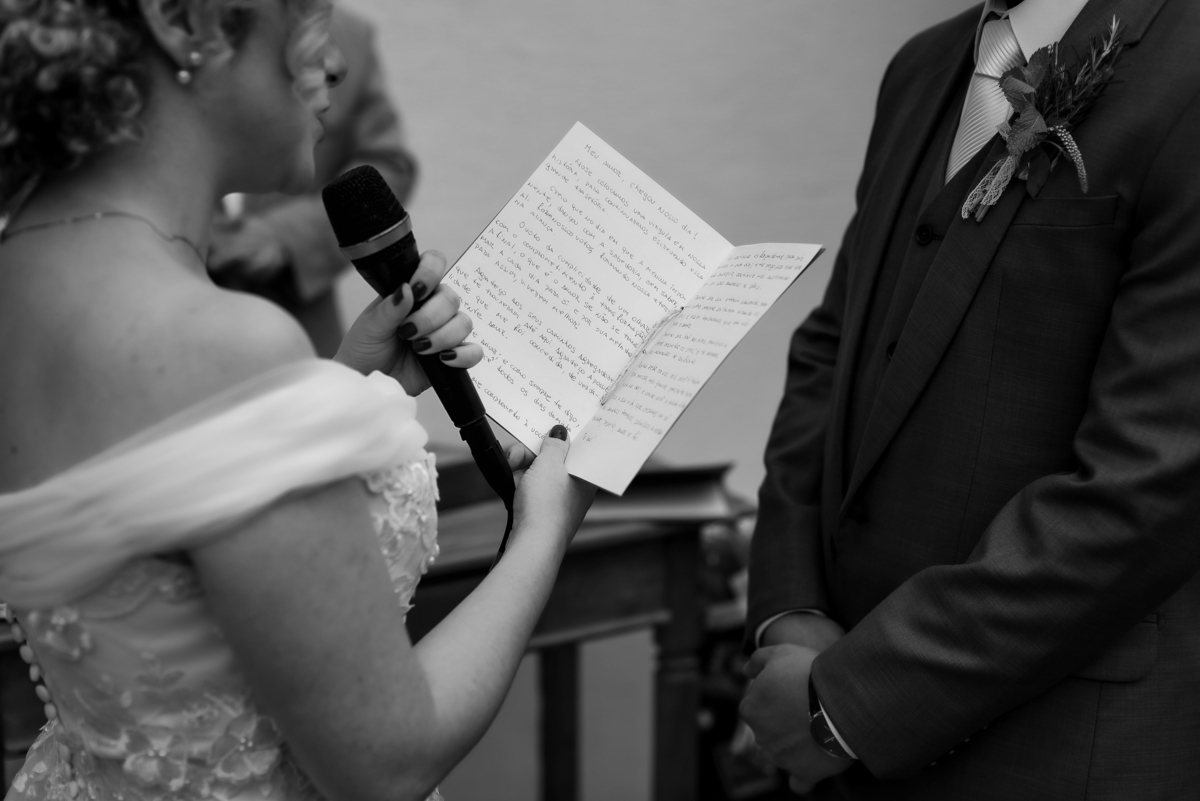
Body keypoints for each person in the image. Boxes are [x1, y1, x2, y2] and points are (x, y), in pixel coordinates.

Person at [0, 0, 594, 800]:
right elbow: (387, 761)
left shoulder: (26, 284)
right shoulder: (223, 347)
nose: (336, 62)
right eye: (306, 17)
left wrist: (344, 391)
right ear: (185, 22)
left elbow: (156, 545)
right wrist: (545, 527)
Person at [741, 0, 1200, 798]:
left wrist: (848, 701)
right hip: (841, 711)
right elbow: (831, 351)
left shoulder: (1187, 71)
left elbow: (1150, 482)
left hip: (1055, 747)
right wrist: (792, 610)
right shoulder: (923, 68)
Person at [207, 5, 418, 357]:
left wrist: (287, 236)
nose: (335, 67)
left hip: (297, 315)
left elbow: (386, 165)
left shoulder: (353, 35)